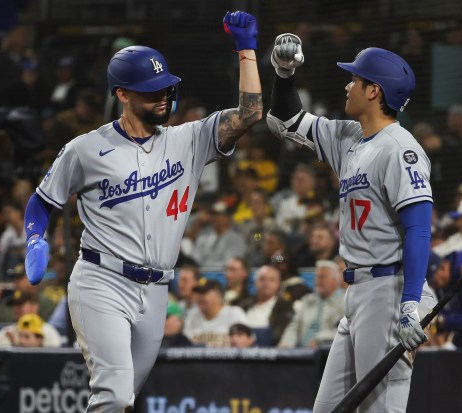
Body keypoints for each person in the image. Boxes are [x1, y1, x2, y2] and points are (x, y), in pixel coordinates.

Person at [22, 11, 262, 410]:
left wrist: (247, 50)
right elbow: (41, 202)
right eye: (151, 91)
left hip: (156, 291)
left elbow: (250, 115)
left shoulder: (188, 139)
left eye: (166, 88)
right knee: (114, 395)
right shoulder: (86, 148)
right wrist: (34, 238)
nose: (163, 96)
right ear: (122, 94)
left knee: (124, 400)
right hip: (102, 281)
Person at [266, 35, 437, 412]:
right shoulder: (350, 136)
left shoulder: (400, 149)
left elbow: (419, 228)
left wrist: (410, 302)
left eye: (355, 80)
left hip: (388, 290)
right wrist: (284, 73)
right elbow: (286, 120)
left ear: (374, 91)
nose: (347, 84)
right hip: (357, 291)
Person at [278, 260, 344, 348]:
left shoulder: (345, 301)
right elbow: (294, 326)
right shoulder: (307, 300)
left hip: (327, 352)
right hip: (301, 350)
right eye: (316, 277)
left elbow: (346, 330)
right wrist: (285, 344)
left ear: (335, 280)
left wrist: (320, 338)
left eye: (322, 277)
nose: (318, 281)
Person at [182, 278, 248, 347]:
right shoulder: (193, 314)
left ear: (219, 296)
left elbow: (247, 342)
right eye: (197, 293)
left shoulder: (234, 313)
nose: (199, 296)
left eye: (203, 293)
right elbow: (185, 345)